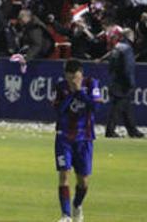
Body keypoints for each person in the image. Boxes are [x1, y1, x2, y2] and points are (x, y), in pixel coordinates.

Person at [53, 59, 101, 222]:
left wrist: (80, 92)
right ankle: (66, 215)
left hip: (84, 138)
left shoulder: (92, 84)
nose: (73, 80)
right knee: (63, 174)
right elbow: (59, 110)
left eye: (75, 77)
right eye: (69, 77)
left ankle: (77, 205)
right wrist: (72, 93)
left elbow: (95, 107)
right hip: (64, 137)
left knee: (83, 182)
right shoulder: (61, 86)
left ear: (81, 74)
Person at [104, 26, 144, 138]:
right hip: (123, 83)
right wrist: (130, 82)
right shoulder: (127, 49)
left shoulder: (117, 47)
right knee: (118, 107)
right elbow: (128, 67)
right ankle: (110, 131)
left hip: (115, 80)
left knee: (125, 107)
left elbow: (111, 65)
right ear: (130, 36)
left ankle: (133, 131)